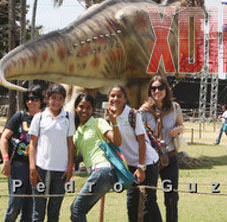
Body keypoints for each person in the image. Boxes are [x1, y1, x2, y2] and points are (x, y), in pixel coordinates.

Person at [109, 84, 162, 222]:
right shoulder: (109, 116)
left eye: (119, 96)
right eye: (112, 96)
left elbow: (141, 142)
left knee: (149, 203)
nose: (115, 99)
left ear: (125, 99)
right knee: (132, 202)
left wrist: (141, 167)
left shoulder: (132, 114)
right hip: (130, 166)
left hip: (147, 163)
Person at [70, 93, 121, 222]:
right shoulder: (77, 132)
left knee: (76, 209)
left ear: (93, 110)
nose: (84, 111)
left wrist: (114, 121)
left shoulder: (99, 122)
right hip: (96, 173)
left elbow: (116, 141)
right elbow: (74, 156)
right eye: (81, 107)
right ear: (76, 108)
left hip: (102, 171)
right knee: (78, 210)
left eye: (88, 107)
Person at [140, 75, 185, 222]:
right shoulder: (144, 111)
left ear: (166, 89)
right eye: (153, 88)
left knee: (171, 197)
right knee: (148, 198)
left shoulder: (175, 107)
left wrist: (176, 130)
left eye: (160, 87)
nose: (157, 91)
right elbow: (139, 135)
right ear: (150, 91)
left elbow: (182, 126)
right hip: (151, 161)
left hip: (170, 157)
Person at [28, 83, 74, 222]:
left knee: (54, 212)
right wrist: (32, 167)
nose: (57, 102)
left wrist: (70, 167)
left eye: (60, 98)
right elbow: (32, 144)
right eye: (53, 98)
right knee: (38, 212)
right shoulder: (39, 117)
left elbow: (70, 144)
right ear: (47, 98)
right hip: (41, 169)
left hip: (60, 171)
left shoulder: (68, 117)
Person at [0, 85, 43, 222]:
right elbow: (4, 138)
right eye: (28, 99)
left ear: (41, 100)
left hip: (38, 167)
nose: (31, 102)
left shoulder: (46, 119)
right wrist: (5, 160)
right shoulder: (20, 116)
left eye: (35, 98)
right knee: (15, 204)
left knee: (30, 208)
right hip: (18, 166)